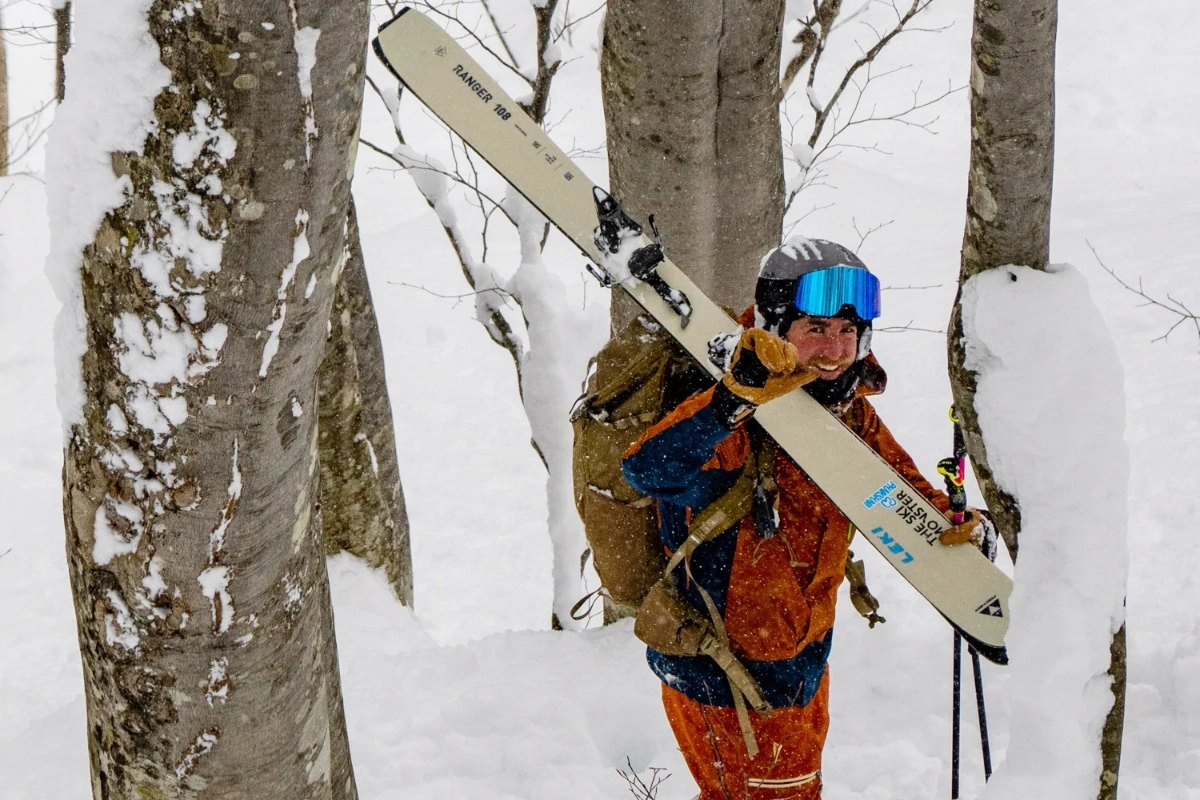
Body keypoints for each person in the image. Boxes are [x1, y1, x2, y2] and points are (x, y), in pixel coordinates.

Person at [621, 238, 986, 800]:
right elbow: (649, 470)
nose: (835, 349)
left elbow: (894, 493)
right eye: (816, 328)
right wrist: (730, 403)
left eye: (848, 331)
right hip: (726, 673)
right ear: (775, 326)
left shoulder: (848, 411)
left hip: (802, 660)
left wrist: (954, 525)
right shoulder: (732, 407)